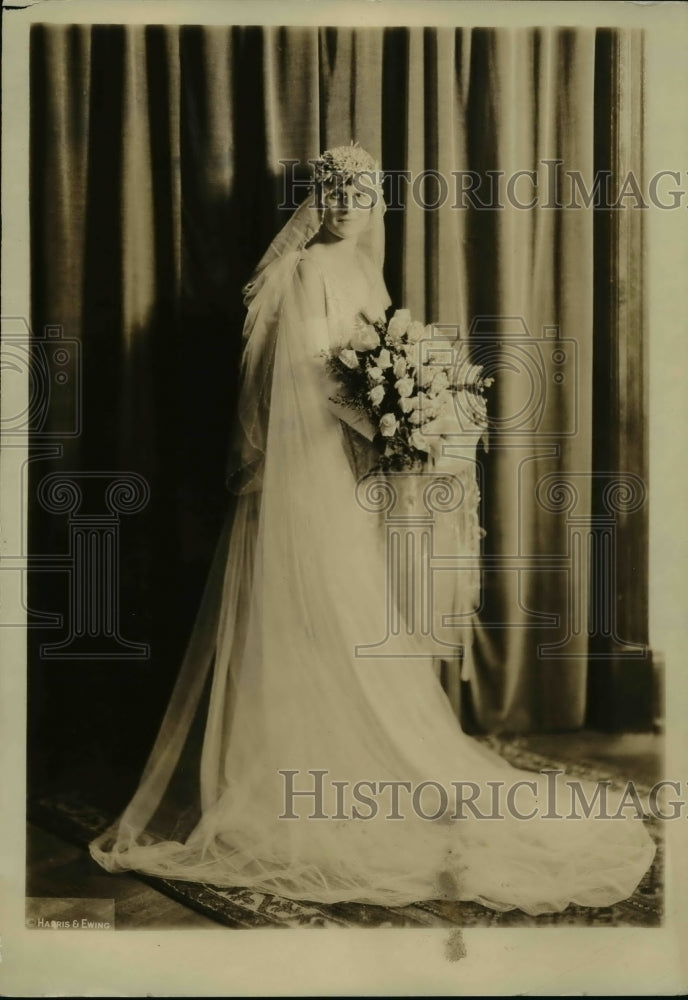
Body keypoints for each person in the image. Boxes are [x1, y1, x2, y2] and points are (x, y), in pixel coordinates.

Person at [89, 144, 655, 914]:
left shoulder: (362, 272)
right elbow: (303, 379)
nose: (346, 205)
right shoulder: (299, 274)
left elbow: (374, 353)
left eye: (360, 191)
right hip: (299, 477)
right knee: (300, 616)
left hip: (348, 475)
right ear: (313, 200)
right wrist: (389, 411)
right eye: (333, 191)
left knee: (356, 614)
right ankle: (284, 770)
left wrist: (420, 413)